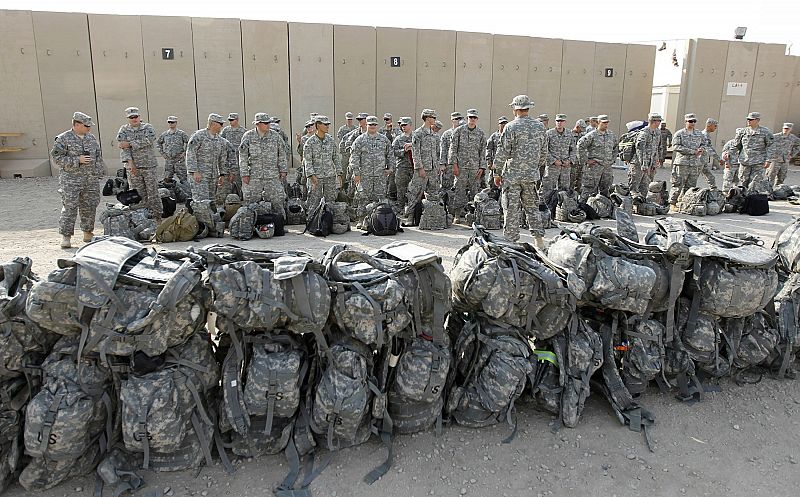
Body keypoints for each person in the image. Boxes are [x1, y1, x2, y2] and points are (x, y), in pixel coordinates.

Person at [493, 95, 545, 248]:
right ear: (528, 108)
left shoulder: (511, 127)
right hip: (530, 176)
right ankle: (539, 241)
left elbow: (502, 151)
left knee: (511, 209)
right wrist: (533, 166)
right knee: (532, 208)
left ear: (515, 109)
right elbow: (544, 153)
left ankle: (511, 242)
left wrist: (497, 172)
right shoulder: (540, 126)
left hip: (512, 177)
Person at [52, 111, 105, 248]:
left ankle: (88, 233)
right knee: (70, 207)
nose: (89, 128)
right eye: (86, 125)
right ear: (76, 124)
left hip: (90, 179)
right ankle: (66, 237)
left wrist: (98, 173)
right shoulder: (63, 139)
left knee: (90, 206)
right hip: (71, 180)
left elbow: (98, 157)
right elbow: (57, 159)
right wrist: (77, 160)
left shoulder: (91, 138)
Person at [117, 107, 162, 221]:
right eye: (131, 117)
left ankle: (157, 217)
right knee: (138, 194)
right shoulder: (123, 130)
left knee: (153, 193)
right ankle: (141, 219)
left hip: (149, 166)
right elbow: (123, 148)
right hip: (134, 168)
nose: (134, 119)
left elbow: (149, 140)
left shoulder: (148, 128)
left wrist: (130, 143)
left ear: (139, 117)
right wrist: (130, 164)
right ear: (128, 118)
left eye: (136, 116)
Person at [239, 112, 288, 211]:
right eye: (265, 123)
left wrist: (283, 170)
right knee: (251, 202)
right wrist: (244, 173)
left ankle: (279, 223)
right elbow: (243, 156)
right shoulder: (248, 136)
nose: (268, 125)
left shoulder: (275, 136)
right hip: (254, 176)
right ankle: (251, 223)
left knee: (278, 200)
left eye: (269, 123)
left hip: (272, 175)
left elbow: (282, 154)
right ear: (258, 124)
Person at [350, 115, 392, 225]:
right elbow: (354, 157)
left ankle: (377, 219)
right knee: (363, 197)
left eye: (374, 124)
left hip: (380, 175)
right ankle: (362, 219)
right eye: (370, 124)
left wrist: (390, 169)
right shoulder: (360, 140)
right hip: (365, 175)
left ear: (377, 126)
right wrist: (356, 173)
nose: (372, 126)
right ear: (366, 125)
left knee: (380, 197)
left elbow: (390, 155)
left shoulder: (384, 140)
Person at [449, 109, 487, 222]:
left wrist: (482, 167)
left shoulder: (480, 133)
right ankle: (457, 214)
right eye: (470, 117)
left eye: (474, 118)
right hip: (461, 167)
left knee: (475, 191)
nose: (472, 119)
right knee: (459, 191)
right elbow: (453, 149)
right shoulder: (459, 131)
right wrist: (454, 165)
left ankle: (474, 215)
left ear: (477, 119)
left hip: (474, 167)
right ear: (467, 118)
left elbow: (482, 151)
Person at [186, 113, 230, 202]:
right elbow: (190, 153)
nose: (222, 126)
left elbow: (222, 158)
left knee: (211, 201)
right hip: (200, 175)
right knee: (201, 201)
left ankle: (211, 216)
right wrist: (194, 171)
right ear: (213, 123)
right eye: (220, 124)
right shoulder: (198, 136)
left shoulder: (219, 140)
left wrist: (222, 174)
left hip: (213, 176)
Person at [406, 108, 441, 219]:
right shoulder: (418, 133)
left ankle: (431, 217)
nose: (435, 120)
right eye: (433, 118)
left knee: (433, 192)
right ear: (427, 118)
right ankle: (411, 217)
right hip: (422, 169)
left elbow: (437, 152)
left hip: (433, 169)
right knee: (415, 192)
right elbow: (415, 152)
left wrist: (438, 166)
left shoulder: (434, 135)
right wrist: (419, 167)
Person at [303, 115, 342, 212]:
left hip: (330, 176)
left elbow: (336, 157)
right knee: (314, 202)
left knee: (330, 202)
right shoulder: (310, 143)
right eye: (325, 124)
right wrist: (312, 176)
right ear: (318, 125)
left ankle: (328, 223)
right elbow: (307, 161)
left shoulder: (330, 140)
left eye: (328, 124)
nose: (327, 126)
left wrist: (339, 173)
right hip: (316, 177)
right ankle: (313, 224)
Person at [668, 113, 706, 206]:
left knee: (691, 186)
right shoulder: (679, 133)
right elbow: (676, 146)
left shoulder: (699, 134)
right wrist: (693, 151)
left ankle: (685, 203)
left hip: (694, 164)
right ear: (686, 122)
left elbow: (704, 144)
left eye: (694, 121)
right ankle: (672, 203)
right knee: (678, 184)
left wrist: (701, 149)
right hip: (682, 163)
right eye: (690, 121)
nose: (692, 123)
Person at [576, 114, 616, 201]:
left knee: (606, 191)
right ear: (598, 123)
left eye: (607, 123)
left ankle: (603, 211)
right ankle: (583, 210)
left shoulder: (611, 135)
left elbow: (616, 147)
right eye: (604, 123)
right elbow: (580, 145)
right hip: (594, 168)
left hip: (607, 169)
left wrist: (612, 159)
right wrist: (585, 160)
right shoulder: (592, 135)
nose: (606, 125)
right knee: (589, 191)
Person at [734, 111, 775, 192]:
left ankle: (752, 202)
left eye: (751, 119)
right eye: (748, 119)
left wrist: (768, 160)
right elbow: (737, 145)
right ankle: (743, 202)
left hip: (758, 162)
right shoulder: (743, 131)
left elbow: (771, 146)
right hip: (745, 162)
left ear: (757, 120)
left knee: (755, 183)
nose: (748, 121)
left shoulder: (765, 132)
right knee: (743, 182)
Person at [542, 113, 576, 200]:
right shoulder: (549, 134)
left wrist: (570, 160)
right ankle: (545, 208)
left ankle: (561, 209)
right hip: (552, 167)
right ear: (555, 122)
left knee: (564, 190)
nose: (559, 123)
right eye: (558, 121)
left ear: (565, 122)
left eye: (561, 121)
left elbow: (573, 149)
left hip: (565, 167)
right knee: (547, 189)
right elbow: (544, 149)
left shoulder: (569, 134)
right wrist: (553, 160)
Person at [628, 113, 662, 197]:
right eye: (659, 121)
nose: (660, 123)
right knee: (634, 187)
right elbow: (640, 150)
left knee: (645, 186)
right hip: (638, 164)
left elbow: (656, 148)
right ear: (654, 121)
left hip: (650, 164)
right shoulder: (643, 133)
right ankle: (631, 206)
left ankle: (641, 206)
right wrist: (644, 165)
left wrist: (655, 163)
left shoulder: (657, 132)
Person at [220, 112, 247, 197]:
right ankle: (229, 196)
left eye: (232, 120)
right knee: (228, 177)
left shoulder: (243, 131)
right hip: (228, 158)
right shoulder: (226, 130)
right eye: (229, 120)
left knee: (238, 178)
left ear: (237, 120)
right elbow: (221, 141)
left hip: (239, 157)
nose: (230, 122)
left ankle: (240, 195)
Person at [156, 116, 189, 183]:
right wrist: (162, 153)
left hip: (179, 161)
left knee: (184, 180)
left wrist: (185, 153)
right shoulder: (165, 134)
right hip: (169, 161)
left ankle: (185, 192)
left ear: (176, 123)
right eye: (169, 122)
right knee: (167, 180)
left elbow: (189, 143)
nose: (171, 124)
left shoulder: (181, 134)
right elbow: (158, 143)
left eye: (172, 122)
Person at [392, 117, 415, 212]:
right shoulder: (398, 139)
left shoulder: (416, 137)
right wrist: (404, 151)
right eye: (402, 125)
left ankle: (412, 209)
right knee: (401, 188)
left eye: (405, 125)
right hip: (402, 167)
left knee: (413, 189)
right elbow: (393, 152)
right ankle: (400, 207)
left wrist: (412, 148)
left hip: (414, 167)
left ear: (410, 125)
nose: (403, 127)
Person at [768, 123, 800, 188]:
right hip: (775, 160)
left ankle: (778, 191)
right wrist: (770, 156)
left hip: (785, 160)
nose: (786, 130)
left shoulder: (793, 138)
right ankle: (768, 191)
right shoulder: (775, 136)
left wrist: (792, 154)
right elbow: (768, 146)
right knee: (771, 176)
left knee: (782, 177)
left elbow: (798, 145)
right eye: (785, 128)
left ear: (790, 129)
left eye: (787, 129)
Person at [439, 112, 463, 190]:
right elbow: (443, 149)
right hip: (449, 165)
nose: (458, 121)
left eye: (460, 119)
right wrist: (442, 163)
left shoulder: (464, 133)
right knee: (447, 186)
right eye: (456, 119)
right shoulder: (446, 134)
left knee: (460, 187)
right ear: (452, 120)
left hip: (461, 164)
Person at [699, 118, 721, 188]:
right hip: (698, 162)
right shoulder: (704, 135)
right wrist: (719, 159)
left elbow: (710, 147)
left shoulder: (707, 135)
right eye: (715, 126)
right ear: (709, 125)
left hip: (703, 161)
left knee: (710, 177)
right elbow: (708, 149)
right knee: (692, 179)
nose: (715, 128)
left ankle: (714, 191)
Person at [571, 119, 587, 191]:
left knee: (580, 182)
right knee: (571, 181)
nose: (582, 131)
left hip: (581, 162)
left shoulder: (582, 136)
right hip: (573, 163)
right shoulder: (569, 135)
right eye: (581, 129)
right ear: (577, 127)